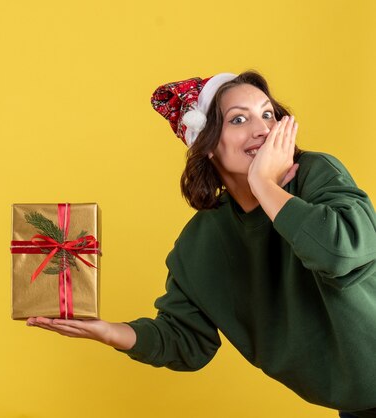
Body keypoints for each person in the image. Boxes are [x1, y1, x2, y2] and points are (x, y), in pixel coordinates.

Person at [26, 71, 376, 418]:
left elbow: (341, 251)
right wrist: (108, 332)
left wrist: (265, 185)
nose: (262, 129)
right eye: (239, 119)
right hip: (358, 404)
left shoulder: (315, 174)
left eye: (268, 114)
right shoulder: (200, 243)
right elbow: (185, 339)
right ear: (206, 146)